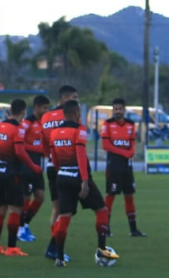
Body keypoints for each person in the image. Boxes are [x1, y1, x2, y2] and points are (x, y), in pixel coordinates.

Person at [47, 100, 112, 267]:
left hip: (61, 177)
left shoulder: (54, 133)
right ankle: (102, 249)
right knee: (102, 210)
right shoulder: (78, 130)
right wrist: (84, 181)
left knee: (64, 216)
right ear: (76, 114)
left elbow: (53, 159)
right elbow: (81, 156)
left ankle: (59, 258)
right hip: (78, 176)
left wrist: (62, 172)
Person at [0, 98, 39, 256]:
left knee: (0, 209)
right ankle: (11, 248)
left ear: (11, 110)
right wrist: (33, 166)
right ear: (24, 112)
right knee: (15, 209)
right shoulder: (18, 128)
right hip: (11, 173)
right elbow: (19, 151)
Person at [40, 85, 79, 259]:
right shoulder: (72, 117)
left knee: (57, 208)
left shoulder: (46, 117)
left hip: (51, 165)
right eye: (74, 97)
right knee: (66, 210)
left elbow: (43, 144)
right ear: (64, 98)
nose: (76, 100)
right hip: (67, 168)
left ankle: (54, 246)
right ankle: (54, 247)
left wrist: (50, 157)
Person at [102, 97, 146, 237]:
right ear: (113, 110)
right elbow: (106, 145)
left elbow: (132, 144)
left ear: (124, 110)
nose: (118, 111)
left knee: (129, 196)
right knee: (111, 196)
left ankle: (133, 229)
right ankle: (106, 228)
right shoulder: (107, 124)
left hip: (127, 167)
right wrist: (124, 152)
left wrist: (131, 152)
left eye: (120, 109)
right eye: (115, 109)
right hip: (114, 166)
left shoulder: (131, 124)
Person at [17, 94, 50, 242]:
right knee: (25, 198)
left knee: (40, 197)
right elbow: (20, 144)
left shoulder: (44, 123)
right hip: (26, 166)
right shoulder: (27, 123)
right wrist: (38, 149)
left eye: (47, 108)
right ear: (36, 107)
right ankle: (20, 228)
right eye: (44, 108)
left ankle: (24, 224)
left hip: (37, 167)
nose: (46, 110)